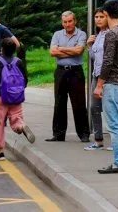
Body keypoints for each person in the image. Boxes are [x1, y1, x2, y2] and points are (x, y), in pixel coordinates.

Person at [94, 0, 118, 174]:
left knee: (114, 126)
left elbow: (107, 61)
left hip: (112, 85)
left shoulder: (111, 34)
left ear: (106, 14)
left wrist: (99, 85)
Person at [47, 11, 90, 142]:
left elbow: (79, 51)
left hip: (75, 72)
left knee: (79, 103)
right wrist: (71, 51)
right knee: (59, 103)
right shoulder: (57, 34)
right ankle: (58, 134)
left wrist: (61, 48)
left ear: (74, 21)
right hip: (60, 72)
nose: (67, 24)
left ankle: (83, 134)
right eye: (65, 22)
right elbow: (52, 52)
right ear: (62, 23)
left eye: (70, 21)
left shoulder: (81, 34)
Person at [85, 7, 109, 150]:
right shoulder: (98, 35)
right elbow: (95, 58)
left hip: (107, 76)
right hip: (96, 74)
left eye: (101, 16)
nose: (98, 19)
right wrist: (89, 46)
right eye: (96, 17)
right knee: (94, 107)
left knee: (111, 109)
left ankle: (117, 141)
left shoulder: (110, 35)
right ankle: (98, 139)